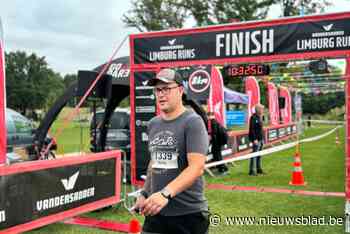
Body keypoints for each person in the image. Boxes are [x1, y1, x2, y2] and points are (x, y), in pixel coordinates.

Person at [134, 68, 210, 234]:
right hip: (157, 212)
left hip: (188, 215)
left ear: (181, 91)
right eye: (158, 90)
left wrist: (165, 194)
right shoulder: (153, 124)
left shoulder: (193, 122)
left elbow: (196, 168)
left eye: (167, 89)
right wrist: (145, 193)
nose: (161, 94)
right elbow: (154, 163)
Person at [248, 104, 265, 176]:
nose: (263, 111)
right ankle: (252, 171)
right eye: (262, 109)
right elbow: (252, 129)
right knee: (254, 155)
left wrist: (262, 139)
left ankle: (259, 169)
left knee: (259, 155)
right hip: (256, 140)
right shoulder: (253, 117)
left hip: (260, 139)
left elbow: (260, 129)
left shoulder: (259, 117)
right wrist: (254, 139)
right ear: (258, 110)